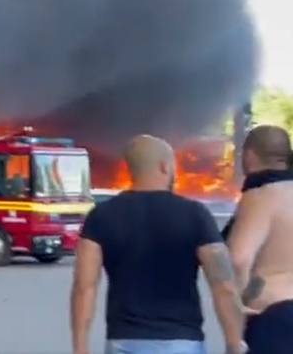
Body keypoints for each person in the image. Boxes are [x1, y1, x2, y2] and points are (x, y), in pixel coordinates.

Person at [69, 135, 245, 354]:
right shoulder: (195, 215)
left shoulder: (101, 216)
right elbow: (224, 287)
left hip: (124, 342)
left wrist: (80, 347)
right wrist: (234, 343)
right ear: (165, 166)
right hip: (183, 343)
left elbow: (84, 287)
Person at [226, 124, 293, 354]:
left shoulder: (262, 195)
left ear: (249, 155)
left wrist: (242, 303)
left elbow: (239, 259)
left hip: (277, 317)